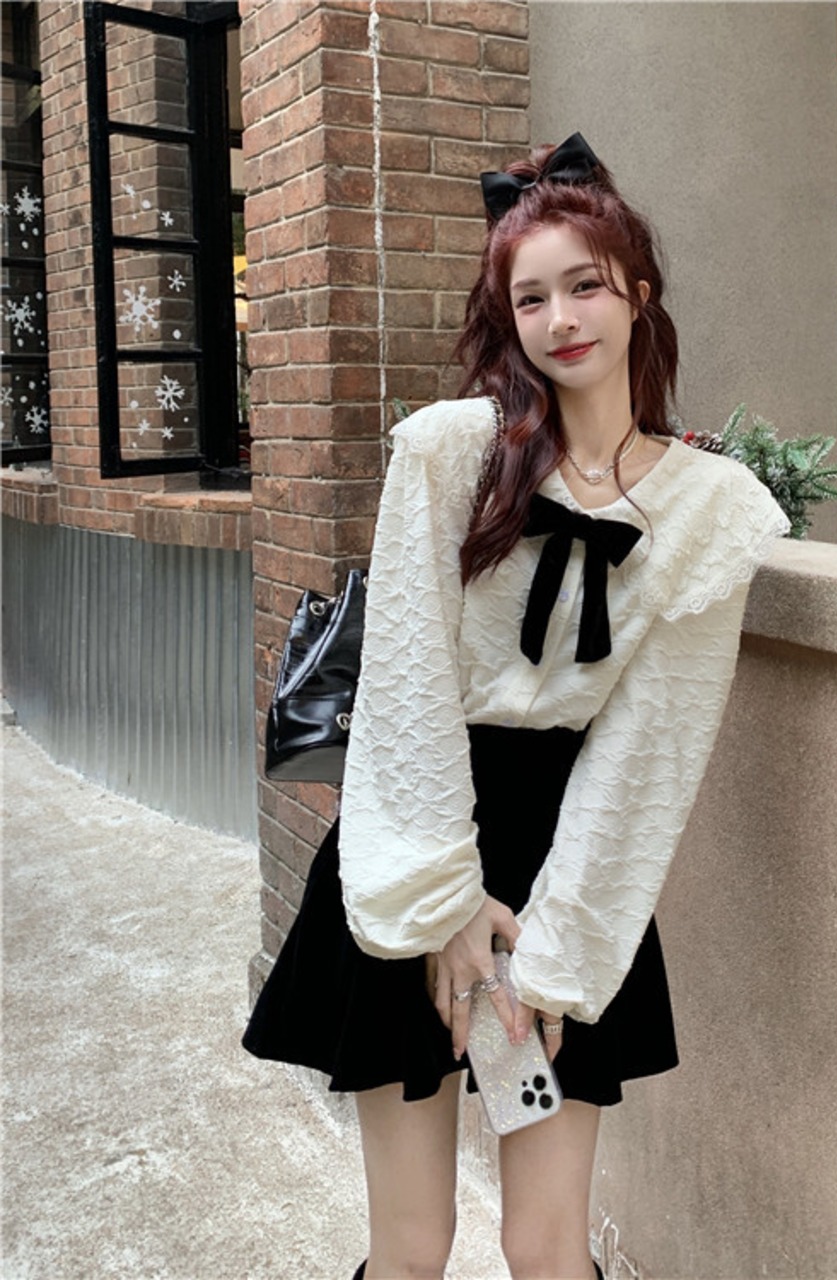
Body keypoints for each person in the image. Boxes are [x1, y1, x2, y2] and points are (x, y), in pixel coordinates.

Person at [242, 132, 789, 1280]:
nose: (559, 318)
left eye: (583, 285)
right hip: (414, 842)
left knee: (545, 1245)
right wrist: (442, 904)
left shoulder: (710, 508)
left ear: (637, 291)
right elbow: (403, 687)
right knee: (411, 1246)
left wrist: (555, 954)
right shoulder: (451, 453)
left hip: (571, 862)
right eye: (529, 297)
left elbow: (652, 746)